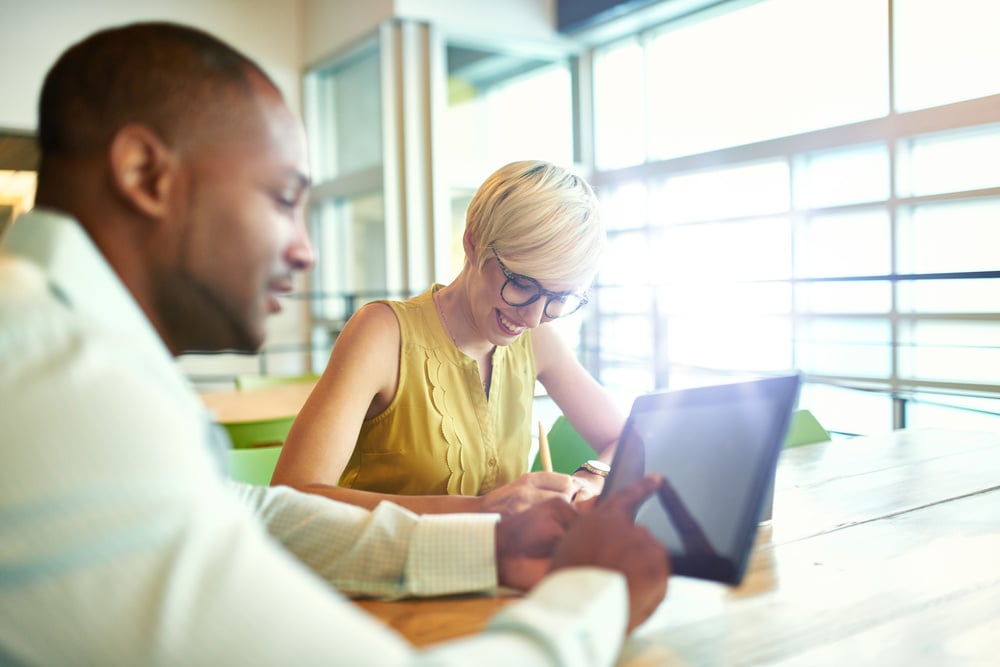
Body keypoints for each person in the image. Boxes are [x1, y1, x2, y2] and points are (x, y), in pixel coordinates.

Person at [0, 21, 670, 666]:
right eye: (283, 197)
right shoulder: (54, 377)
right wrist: (593, 595)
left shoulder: (66, 344)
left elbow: (257, 509)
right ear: (146, 173)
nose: (306, 249)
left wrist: (493, 543)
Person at [273, 160, 626, 516]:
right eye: (520, 284)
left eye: (559, 299)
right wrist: (483, 509)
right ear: (472, 243)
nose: (533, 317)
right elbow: (291, 497)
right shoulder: (382, 335)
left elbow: (629, 437)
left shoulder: (537, 339)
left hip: (497, 570)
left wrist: (591, 477)